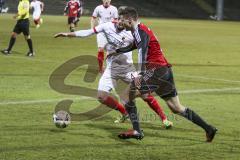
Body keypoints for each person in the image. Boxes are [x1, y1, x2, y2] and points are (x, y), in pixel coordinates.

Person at [109, 7, 217, 142]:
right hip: (164, 70)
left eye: (121, 19)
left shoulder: (139, 32)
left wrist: (141, 73)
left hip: (155, 70)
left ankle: (137, 130)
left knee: (126, 95)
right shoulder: (141, 30)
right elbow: (135, 45)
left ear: (129, 20)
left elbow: (142, 51)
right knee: (176, 108)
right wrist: (119, 50)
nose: (119, 22)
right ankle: (209, 128)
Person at [54, 14, 173, 128]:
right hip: (111, 69)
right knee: (101, 96)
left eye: (123, 21)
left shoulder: (131, 32)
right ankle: (124, 113)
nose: (121, 23)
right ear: (116, 20)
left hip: (128, 68)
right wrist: (67, 34)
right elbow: (88, 32)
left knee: (144, 94)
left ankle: (164, 119)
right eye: (119, 20)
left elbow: (149, 43)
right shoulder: (106, 27)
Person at [91, 0, 118, 73]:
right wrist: (92, 29)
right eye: (105, 0)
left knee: (110, 51)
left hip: (111, 32)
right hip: (101, 32)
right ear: (103, 0)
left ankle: (108, 67)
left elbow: (116, 20)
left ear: (110, 0)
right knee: (100, 49)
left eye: (108, 0)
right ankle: (100, 68)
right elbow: (93, 18)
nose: (106, 1)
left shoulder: (114, 9)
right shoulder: (98, 8)